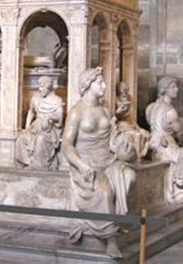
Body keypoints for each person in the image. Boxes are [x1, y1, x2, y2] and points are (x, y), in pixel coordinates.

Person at [62, 67, 136, 259]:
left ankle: (117, 219)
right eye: (99, 83)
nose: (104, 86)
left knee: (130, 176)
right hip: (87, 162)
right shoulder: (77, 112)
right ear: (88, 85)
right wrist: (80, 164)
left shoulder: (104, 109)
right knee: (105, 192)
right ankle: (110, 240)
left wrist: (121, 143)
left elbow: (111, 136)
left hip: (108, 159)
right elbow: (67, 144)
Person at [146, 76, 183, 210]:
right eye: (173, 87)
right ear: (164, 90)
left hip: (155, 147)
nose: (177, 90)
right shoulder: (171, 112)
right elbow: (180, 133)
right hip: (168, 148)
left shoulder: (150, 108)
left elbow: (154, 128)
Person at [15, 76, 64, 170]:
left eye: (42, 86)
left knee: (40, 139)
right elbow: (31, 112)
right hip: (35, 127)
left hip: (49, 128)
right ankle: (26, 162)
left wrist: (49, 117)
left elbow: (59, 116)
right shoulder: (35, 99)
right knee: (21, 138)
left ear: (49, 88)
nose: (39, 89)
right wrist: (26, 127)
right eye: (39, 86)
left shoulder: (57, 100)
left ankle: (38, 165)